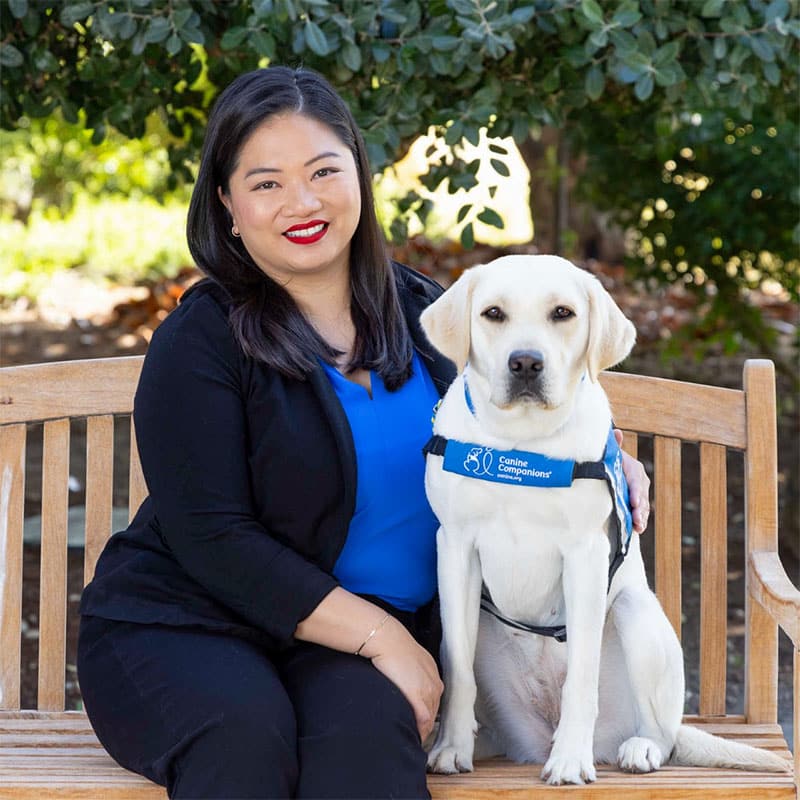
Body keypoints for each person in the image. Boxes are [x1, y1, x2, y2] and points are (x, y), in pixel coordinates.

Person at [77, 65, 651, 800]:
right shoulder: (202, 339)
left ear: (360, 173)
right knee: (246, 740)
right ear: (225, 203)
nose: (302, 202)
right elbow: (213, 539)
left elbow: (528, 402)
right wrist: (387, 642)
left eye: (323, 171)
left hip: (349, 644)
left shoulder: (434, 316)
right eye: (266, 183)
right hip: (188, 624)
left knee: (369, 753)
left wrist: (608, 462)